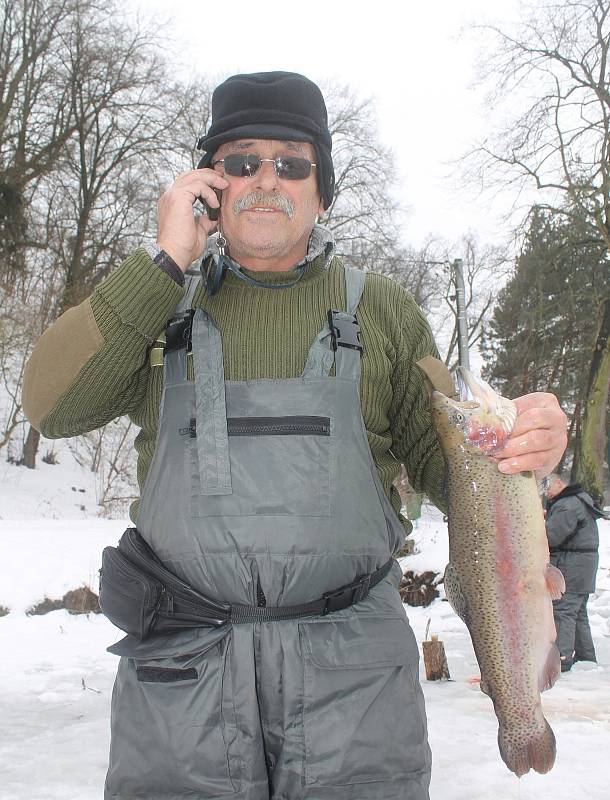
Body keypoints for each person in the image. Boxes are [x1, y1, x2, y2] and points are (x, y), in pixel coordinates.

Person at [22, 71, 568, 800]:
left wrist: (527, 452)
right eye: (240, 161)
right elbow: (50, 406)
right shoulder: (156, 303)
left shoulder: (385, 311)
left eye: (292, 163)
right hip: (180, 691)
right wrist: (162, 260)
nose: (266, 180)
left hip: (357, 692)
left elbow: (457, 469)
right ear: (209, 183)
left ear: (322, 187)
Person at [545, 473, 607, 672]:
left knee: (564, 610)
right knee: (578, 613)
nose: (546, 492)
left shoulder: (568, 504)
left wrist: (538, 523)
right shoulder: (578, 500)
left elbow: (552, 537)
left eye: (547, 487)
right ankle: (586, 657)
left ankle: (562, 658)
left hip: (572, 564)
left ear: (560, 483)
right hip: (584, 564)